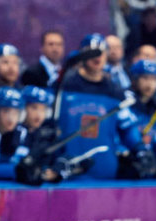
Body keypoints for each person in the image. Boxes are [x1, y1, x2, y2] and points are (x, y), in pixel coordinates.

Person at [55, 34, 142, 180]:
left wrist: (140, 149)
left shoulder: (114, 91)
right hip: (67, 170)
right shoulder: (64, 87)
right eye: (91, 51)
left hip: (105, 169)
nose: (97, 57)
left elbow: (127, 128)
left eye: (101, 52)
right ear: (82, 55)